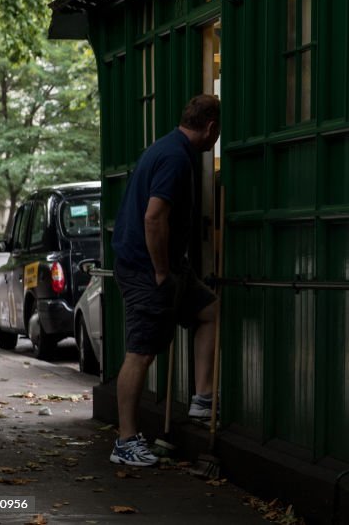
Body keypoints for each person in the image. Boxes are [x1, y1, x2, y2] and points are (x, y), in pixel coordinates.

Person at [108, 94, 221, 467]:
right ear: (209, 128)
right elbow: (154, 218)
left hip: (168, 266)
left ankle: (202, 398)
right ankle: (125, 441)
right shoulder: (174, 158)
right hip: (148, 268)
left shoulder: (168, 148)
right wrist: (160, 270)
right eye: (217, 133)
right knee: (140, 352)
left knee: (209, 309)